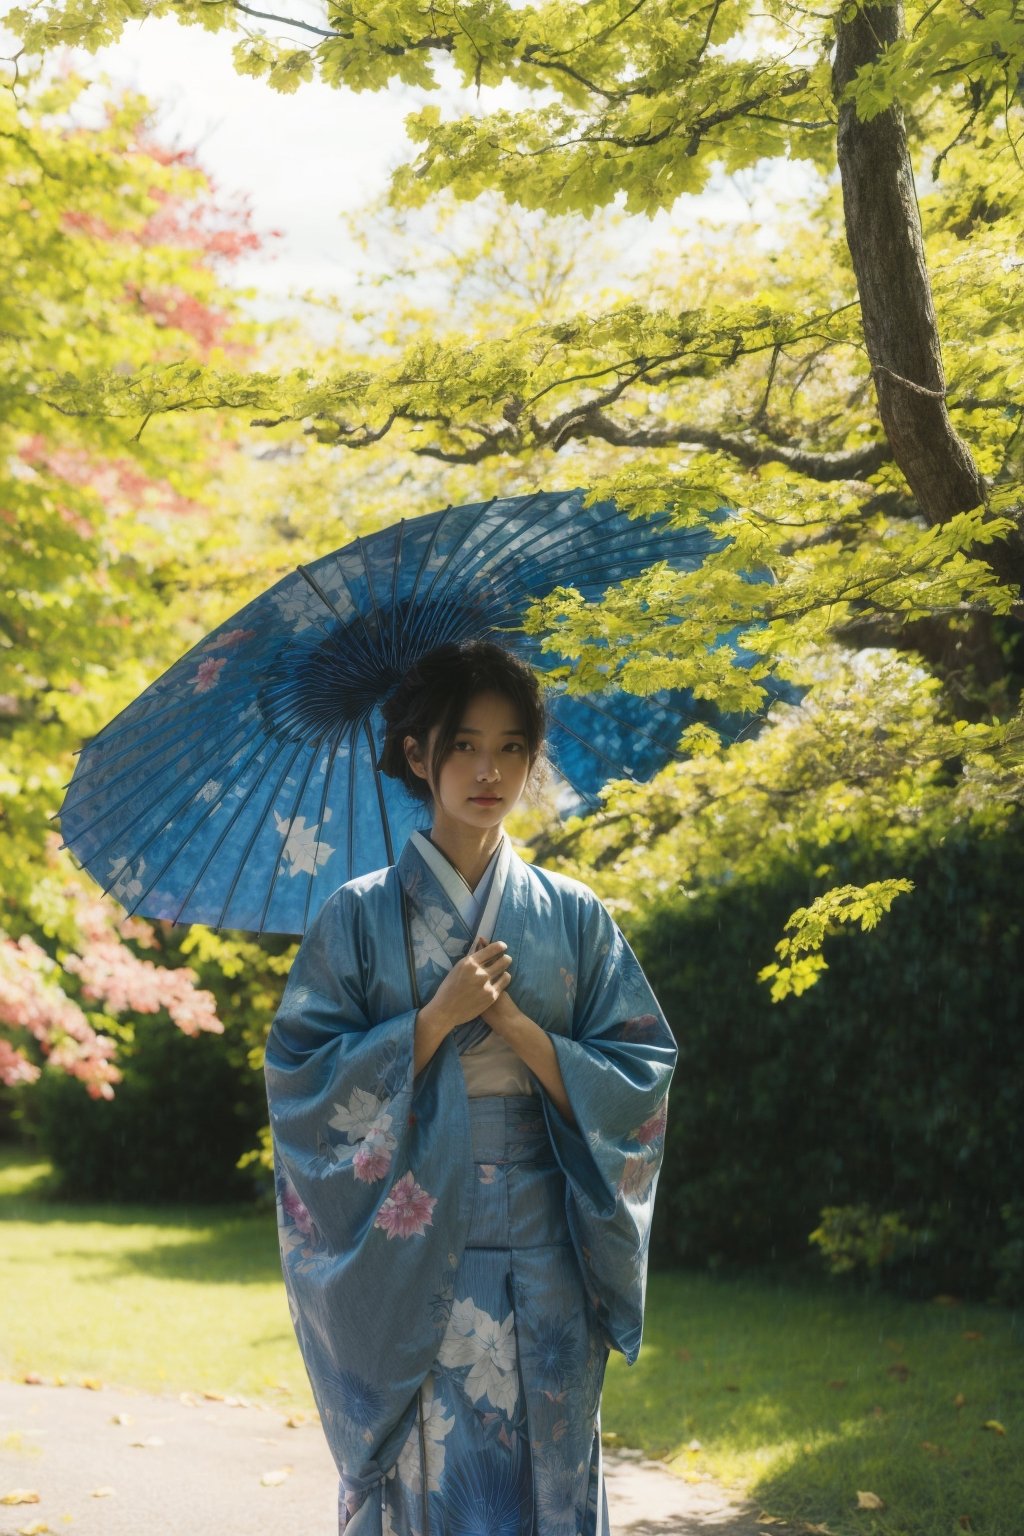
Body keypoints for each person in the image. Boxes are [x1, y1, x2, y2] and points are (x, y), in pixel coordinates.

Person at [263, 639, 677, 1536]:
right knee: (431, 1463)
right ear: (418, 754)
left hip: (548, 1243)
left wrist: (522, 1031)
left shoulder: (573, 914)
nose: (489, 770)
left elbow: (640, 1074)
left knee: (552, 1469)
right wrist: (433, 1022)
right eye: (463, 745)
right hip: (413, 1249)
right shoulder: (359, 914)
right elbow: (300, 1080)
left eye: (513, 746)